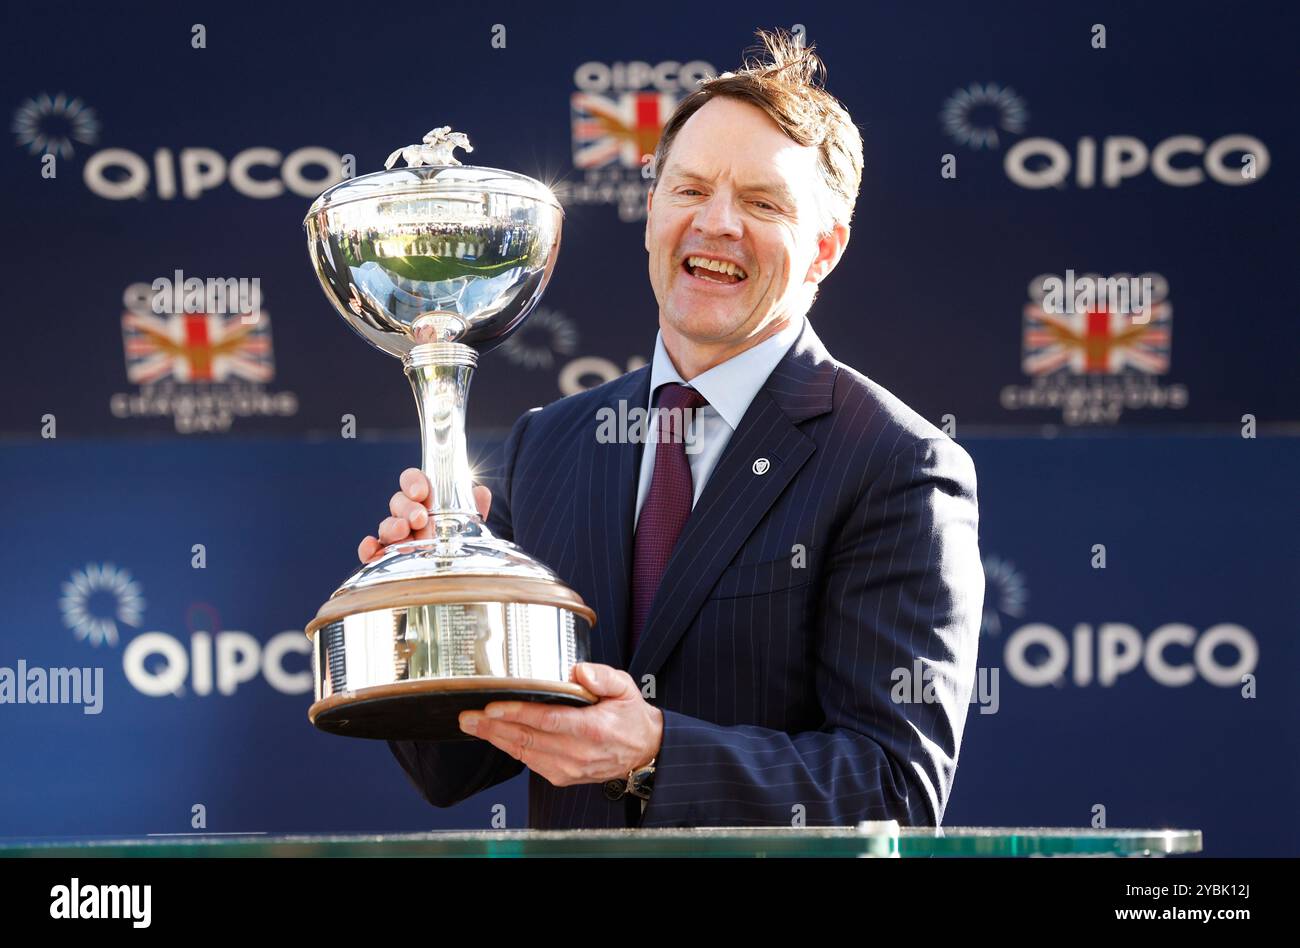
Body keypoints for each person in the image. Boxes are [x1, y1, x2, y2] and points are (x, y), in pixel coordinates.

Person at [362, 28, 984, 829]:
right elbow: (455, 764)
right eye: (689, 190)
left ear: (825, 248)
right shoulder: (549, 444)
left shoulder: (896, 465)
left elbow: (895, 789)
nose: (717, 223)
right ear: (652, 209)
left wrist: (654, 751)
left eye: (762, 203)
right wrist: (436, 603)